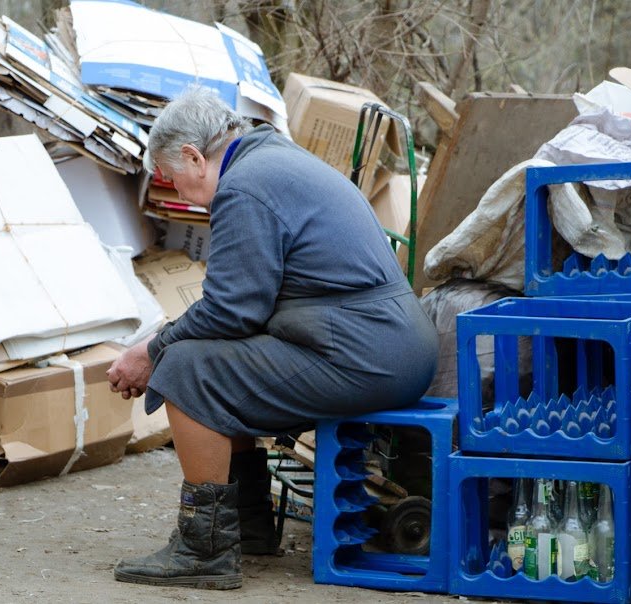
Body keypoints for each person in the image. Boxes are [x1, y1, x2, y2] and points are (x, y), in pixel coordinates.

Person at [106, 86, 438, 590]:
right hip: (389, 343)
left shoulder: (245, 187)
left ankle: (206, 548)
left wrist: (152, 351)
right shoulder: (271, 156)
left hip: (365, 352)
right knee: (204, 357)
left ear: (196, 157)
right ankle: (250, 526)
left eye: (173, 179)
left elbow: (232, 311)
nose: (175, 192)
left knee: (185, 369)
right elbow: (243, 307)